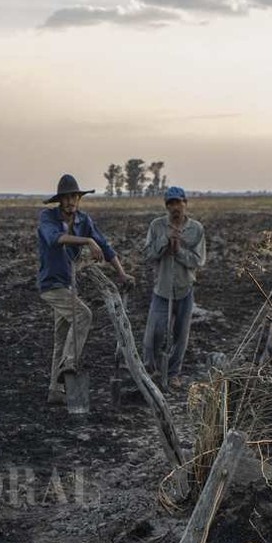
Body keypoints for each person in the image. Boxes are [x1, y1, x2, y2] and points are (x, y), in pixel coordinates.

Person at [37, 174, 131, 407]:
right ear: (60, 200)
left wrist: (121, 273)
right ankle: (68, 364)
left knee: (62, 337)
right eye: (67, 197)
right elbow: (54, 240)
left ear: (79, 199)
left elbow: (105, 247)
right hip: (52, 283)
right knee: (83, 315)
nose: (71, 201)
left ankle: (54, 390)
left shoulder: (83, 220)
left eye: (75, 197)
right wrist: (87, 242)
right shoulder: (48, 217)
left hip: (70, 284)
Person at [140, 185, 208, 385]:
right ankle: (149, 371)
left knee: (180, 335)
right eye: (171, 204)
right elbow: (148, 254)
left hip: (185, 288)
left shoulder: (196, 229)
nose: (175, 207)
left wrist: (178, 251)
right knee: (155, 333)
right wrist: (164, 242)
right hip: (162, 289)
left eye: (179, 202)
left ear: (185, 204)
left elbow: (198, 260)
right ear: (166, 207)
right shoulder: (157, 226)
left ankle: (172, 373)